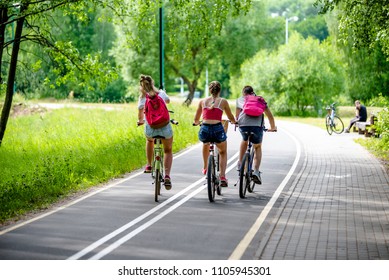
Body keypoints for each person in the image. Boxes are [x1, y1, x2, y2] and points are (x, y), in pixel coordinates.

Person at [193, 81, 236, 187]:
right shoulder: (223, 101)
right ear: (219, 90)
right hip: (217, 129)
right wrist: (234, 122)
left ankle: (205, 167)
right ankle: (222, 176)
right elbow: (230, 117)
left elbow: (196, 119)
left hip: (205, 130)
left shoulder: (202, 101)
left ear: (209, 90)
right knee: (222, 151)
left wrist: (196, 123)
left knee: (205, 143)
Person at [137, 74, 173, 190]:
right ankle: (167, 176)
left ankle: (149, 165)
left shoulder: (143, 98)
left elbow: (140, 116)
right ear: (152, 84)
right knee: (168, 150)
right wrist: (163, 93)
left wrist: (141, 121)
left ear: (141, 87)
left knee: (149, 140)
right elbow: (168, 101)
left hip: (151, 128)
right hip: (165, 127)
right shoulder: (161, 94)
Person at [235, 85, 277, 184]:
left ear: (243, 93)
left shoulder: (240, 100)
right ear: (253, 92)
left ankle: (240, 163)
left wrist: (237, 122)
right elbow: (270, 116)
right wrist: (273, 128)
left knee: (244, 140)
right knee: (257, 146)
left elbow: (237, 116)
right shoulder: (260, 100)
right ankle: (256, 171)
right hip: (257, 127)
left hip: (243, 126)